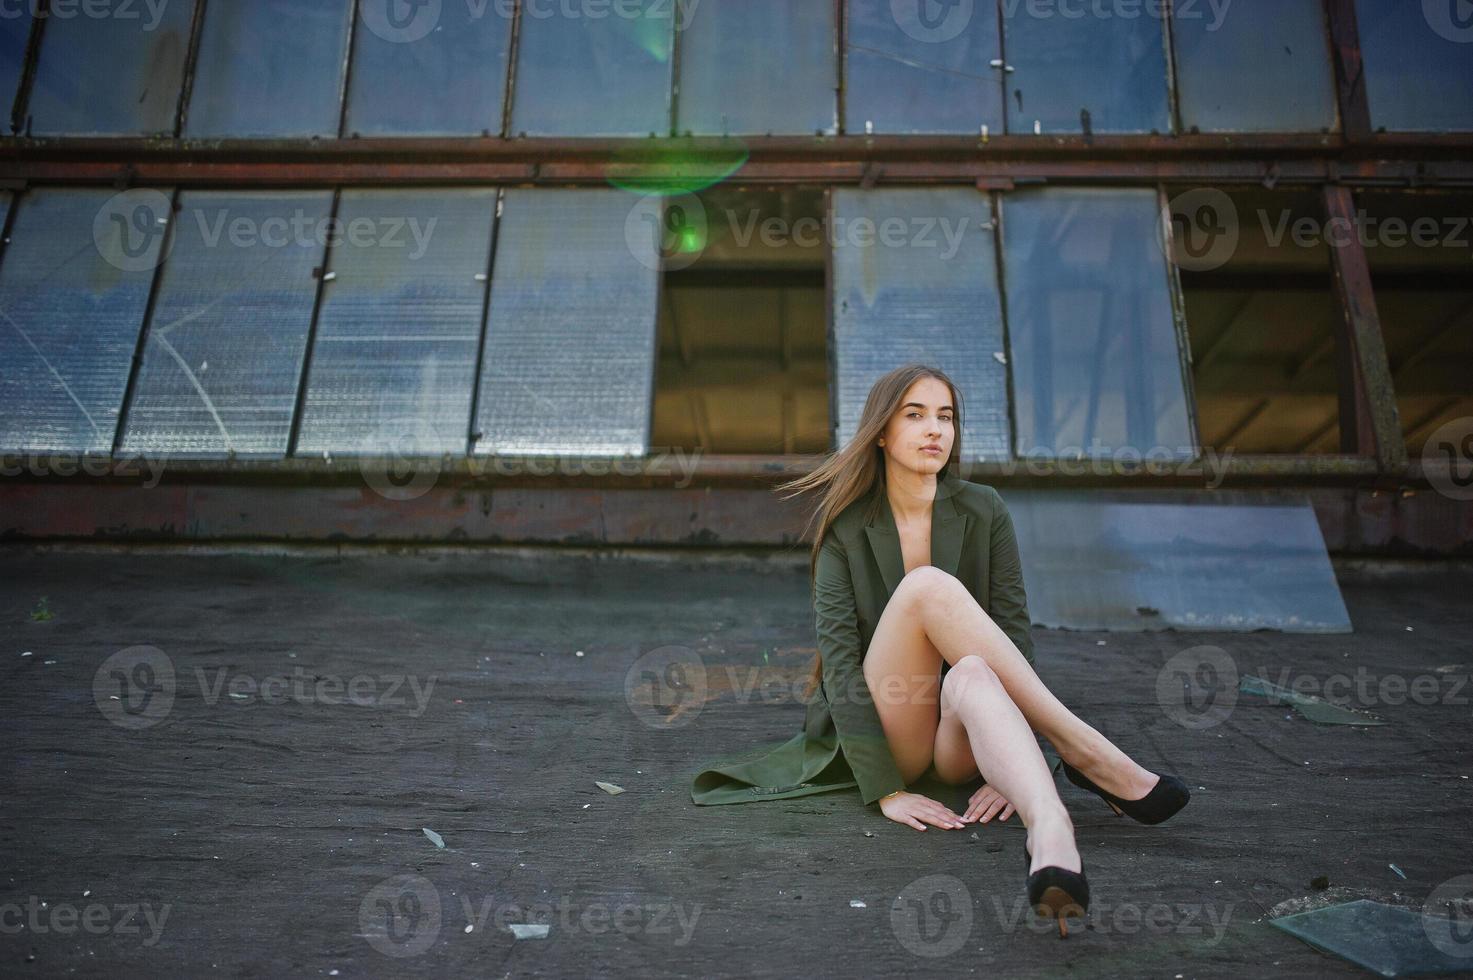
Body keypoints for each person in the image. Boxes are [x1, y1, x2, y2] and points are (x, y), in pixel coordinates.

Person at [690, 363, 1190, 938]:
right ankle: (1083, 751)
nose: (936, 429)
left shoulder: (984, 510)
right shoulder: (847, 528)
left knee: (976, 668)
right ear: (880, 431)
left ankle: (1051, 833)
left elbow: (1013, 633)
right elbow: (842, 666)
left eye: (946, 416)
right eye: (916, 414)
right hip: (891, 725)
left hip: (961, 729)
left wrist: (1005, 768)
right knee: (927, 587)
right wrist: (884, 788)